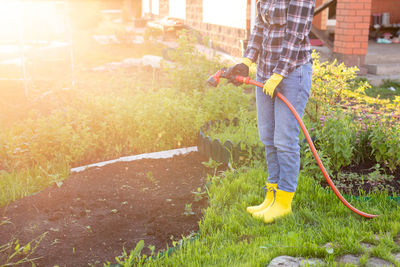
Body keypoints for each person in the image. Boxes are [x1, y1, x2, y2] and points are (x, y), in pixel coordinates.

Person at [226, 0, 315, 223]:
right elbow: (259, 27)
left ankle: (284, 201)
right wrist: (247, 60)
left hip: (292, 73)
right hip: (266, 72)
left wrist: (279, 74)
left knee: (284, 139)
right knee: (268, 136)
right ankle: (271, 196)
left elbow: (295, 36)